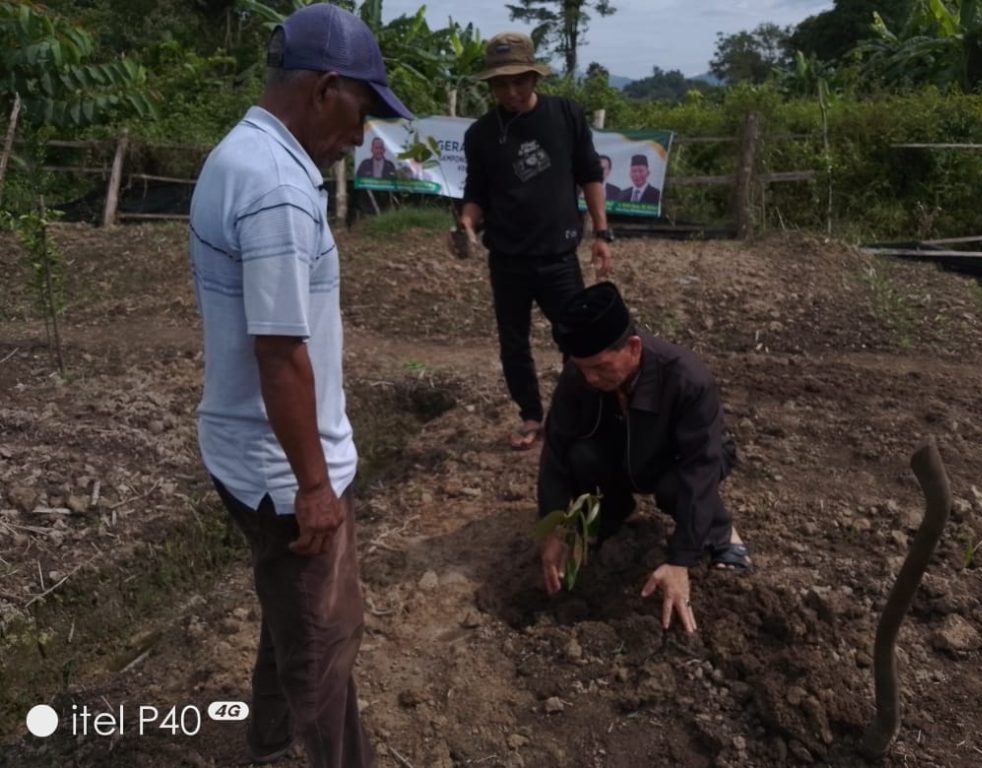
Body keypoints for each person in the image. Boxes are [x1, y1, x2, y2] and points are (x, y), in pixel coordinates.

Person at [189, 4, 412, 766]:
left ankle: (268, 741)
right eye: (363, 108)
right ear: (324, 88)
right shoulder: (279, 189)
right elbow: (281, 352)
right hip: (285, 472)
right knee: (324, 648)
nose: (362, 133)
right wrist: (314, 487)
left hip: (250, 451)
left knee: (290, 620)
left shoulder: (241, 154)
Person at [537, 282, 750, 634]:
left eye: (601, 368)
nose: (591, 378)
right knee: (581, 455)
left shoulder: (686, 379)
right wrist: (555, 527)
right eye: (583, 368)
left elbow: (701, 467)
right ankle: (612, 517)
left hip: (678, 458)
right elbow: (555, 452)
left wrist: (681, 560)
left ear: (633, 348)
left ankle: (721, 531)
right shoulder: (580, 377)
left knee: (675, 487)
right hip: (624, 451)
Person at [449, 31, 614, 450]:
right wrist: (466, 223)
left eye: (519, 80)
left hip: (558, 255)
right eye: (501, 84)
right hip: (506, 258)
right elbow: (476, 193)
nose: (511, 91)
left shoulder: (565, 116)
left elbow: (590, 174)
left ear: (534, 78)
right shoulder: (481, 135)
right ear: (489, 86)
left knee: (576, 337)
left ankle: (574, 412)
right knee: (514, 342)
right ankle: (531, 415)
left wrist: (601, 233)